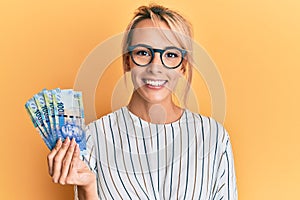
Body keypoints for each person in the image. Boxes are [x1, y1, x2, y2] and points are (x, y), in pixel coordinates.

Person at [47, 4, 237, 200]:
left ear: (183, 66)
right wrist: (87, 189)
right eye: (143, 52)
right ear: (128, 60)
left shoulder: (214, 137)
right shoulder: (93, 138)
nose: (155, 67)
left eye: (170, 55)